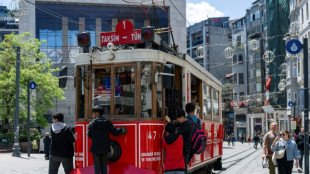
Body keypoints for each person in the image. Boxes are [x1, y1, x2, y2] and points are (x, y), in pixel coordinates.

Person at [87, 106, 127, 174]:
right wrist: (121, 130)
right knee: (104, 167)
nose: (92, 115)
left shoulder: (91, 124)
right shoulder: (107, 122)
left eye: (93, 113)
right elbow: (114, 132)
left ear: (97, 113)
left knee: (97, 168)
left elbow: (89, 135)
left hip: (95, 148)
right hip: (105, 148)